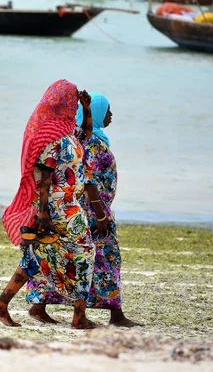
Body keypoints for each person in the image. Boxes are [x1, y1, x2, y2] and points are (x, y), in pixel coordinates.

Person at [0, 79, 97, 330]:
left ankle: (1, 304)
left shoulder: (67, 133)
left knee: (35, 258)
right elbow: (45, 177)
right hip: (62, 208)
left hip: (68, 204)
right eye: (72, 101)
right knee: (85, 252)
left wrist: (87, 108)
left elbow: (86, 135)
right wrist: (43, 213)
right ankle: (79, 317)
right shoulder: (52, 136)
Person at [76, 93, 142, 327]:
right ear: (96, 112)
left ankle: (41, 305)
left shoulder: (92, 138)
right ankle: (116, 315)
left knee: (86, 261)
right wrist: (101, 213)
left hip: (97, 209)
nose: (112, 115)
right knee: (109, 259)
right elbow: (89, 179)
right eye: (108, 110)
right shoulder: (91, 141)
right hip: (96, 212)